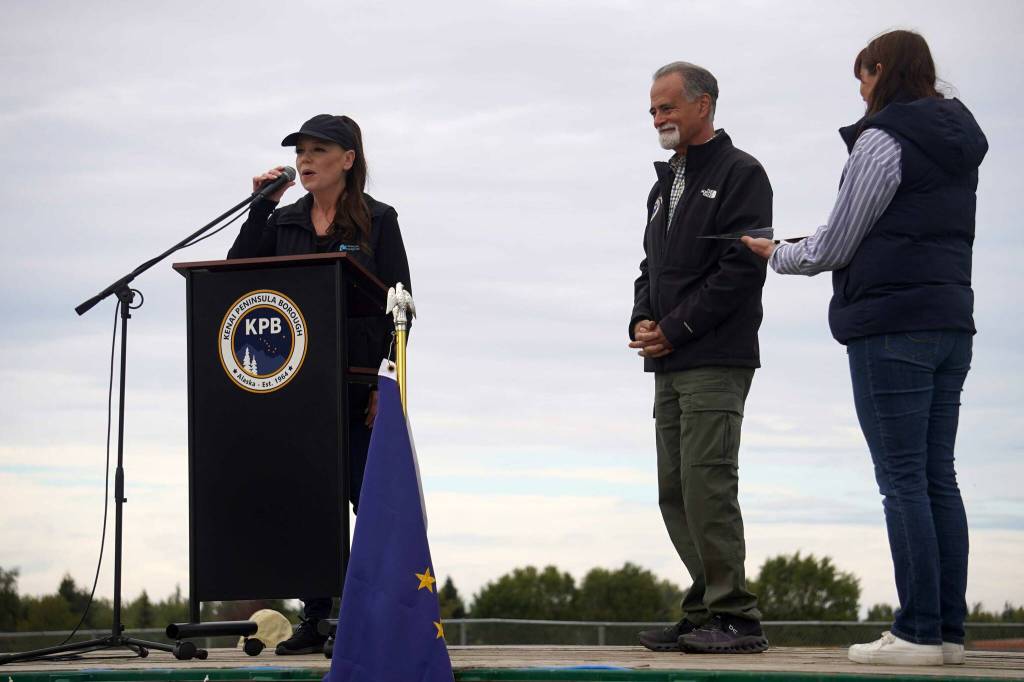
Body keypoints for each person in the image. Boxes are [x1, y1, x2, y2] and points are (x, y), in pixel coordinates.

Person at [743, 30, 987, 666]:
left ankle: (915, 634)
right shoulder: (958, 145)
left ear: (880, 72)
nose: (860, 90)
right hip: (949, 323)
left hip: (891, 326)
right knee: (937, 477)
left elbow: (838, 243)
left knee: (901, 479)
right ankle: (948, 634)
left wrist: (781, 254)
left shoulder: (884, 140)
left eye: (862, 76)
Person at [228, 114, 412, 654]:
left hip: (359, 387)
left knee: (369, 499)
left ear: (348, 159)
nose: (305, 160)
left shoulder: (379, 220)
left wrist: (387, 382)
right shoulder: (283, 221)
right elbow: (238, 273)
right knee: (307, 500)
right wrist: (261, 204)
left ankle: (377, 614)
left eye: (318, 151)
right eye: (301, 151)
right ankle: (318, 618)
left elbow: (399, 307)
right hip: (295, 389)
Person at [629, 62, 772, 654]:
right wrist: (642, 318)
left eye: (668, 107)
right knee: (675, 489)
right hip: (669, 360)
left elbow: (742, 266)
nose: (659, 118)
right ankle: (703, 609)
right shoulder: (664, 184)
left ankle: (737, 619)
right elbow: (650, 268)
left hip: (714, 356)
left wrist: (678, 327)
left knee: (707, 484)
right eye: (653, 110)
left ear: (703, 105)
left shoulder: (742, 173)